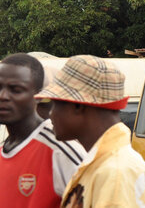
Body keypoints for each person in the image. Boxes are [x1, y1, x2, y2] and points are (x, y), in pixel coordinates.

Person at [35, 55, 145, 208]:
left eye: (55, 104)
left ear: (78, 106)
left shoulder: (115, 173)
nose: (51, 113)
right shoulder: (102, 164)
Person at [0, 53, 85, 207]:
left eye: (16, 90)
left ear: (38, 95)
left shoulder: (61, 150)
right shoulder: (3, 152)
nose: (3, 96)